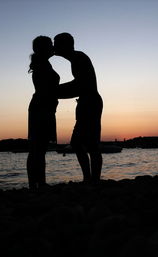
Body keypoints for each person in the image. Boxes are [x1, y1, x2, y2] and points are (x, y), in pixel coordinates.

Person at [54, 32, 103, 183]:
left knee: (91, 144)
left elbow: (80, 86)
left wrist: (54, 91)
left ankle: (93, 180)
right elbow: (78, 86)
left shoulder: (78, 58)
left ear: (66, 45)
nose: (54, 47)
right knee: (79, 143)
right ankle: (89, 178)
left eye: (57, 44)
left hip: (90, 103)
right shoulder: (76, 59)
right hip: (86, 102)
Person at [27, 36, 59, 189]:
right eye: (50, 45)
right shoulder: (42, 64)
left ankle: (39, 183)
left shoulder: (44, 63)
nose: (53, 47)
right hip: (41, 107)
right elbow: (47, 89)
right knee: (37, 148)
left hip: (44, 107)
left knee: (40, 148)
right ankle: (35, 185)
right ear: (43, 48)